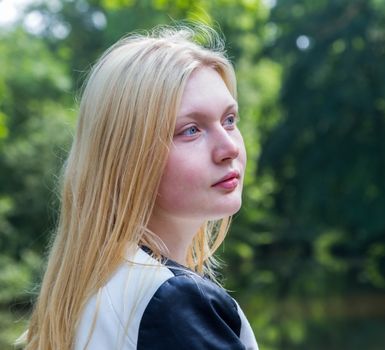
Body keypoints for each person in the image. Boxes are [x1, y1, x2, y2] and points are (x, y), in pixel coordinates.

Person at [23, 24, 258, 350]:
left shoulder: (95, 293)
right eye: (191, 130)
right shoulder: (173, 301)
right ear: (129, 155)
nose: (228, 147)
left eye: (229, 120)